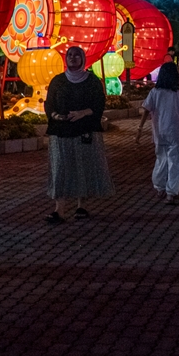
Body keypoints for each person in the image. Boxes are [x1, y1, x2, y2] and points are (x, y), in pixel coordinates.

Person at [44, 45, 113, 223]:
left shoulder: (92, 81)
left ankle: (81, 205)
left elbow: (99, 104)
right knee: (61, 169)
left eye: (76, 55)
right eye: (70, 55)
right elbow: (49, 103)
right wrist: (55, 115)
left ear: (83, 59)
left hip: (85, 131)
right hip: (61, 132)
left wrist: (83, 112)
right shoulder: (58, 81)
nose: (73, 58)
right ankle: (59, 210)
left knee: (82, 168)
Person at [137, 62, 179, 205]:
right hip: (175, 132)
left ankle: (159, 187)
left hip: (159, 132)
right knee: (175, 162)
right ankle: (171, 193)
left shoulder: (155, 92)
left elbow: (146, 110)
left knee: (161, 160)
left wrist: (139, 130)